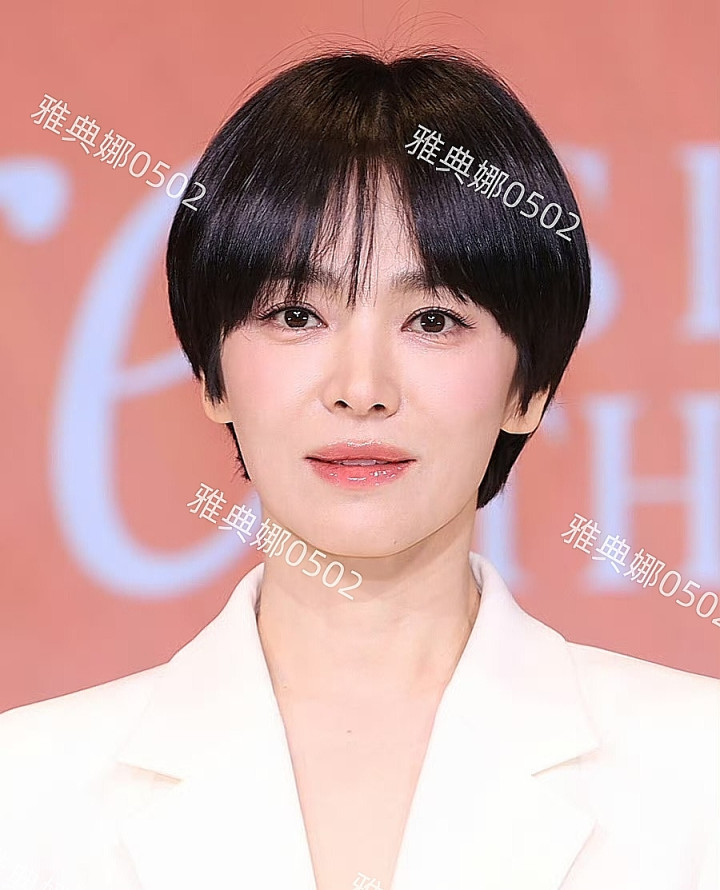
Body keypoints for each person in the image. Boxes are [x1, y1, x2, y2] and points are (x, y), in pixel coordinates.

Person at [0, 49, 718, 890]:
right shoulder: (30, 793)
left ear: (527, 388)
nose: (362, 388)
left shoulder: (695, 776)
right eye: (296, 314)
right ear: (213, 376)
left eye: (434, 320)